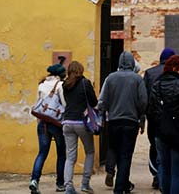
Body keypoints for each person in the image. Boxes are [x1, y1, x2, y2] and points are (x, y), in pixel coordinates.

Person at [99, 51, 147, 194]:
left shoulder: (110, 78)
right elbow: (143, 101)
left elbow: (102, 100)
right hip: (131, 121)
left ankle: (122, 182)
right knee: (126, 154)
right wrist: (140, 114)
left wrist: (104, 113)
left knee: (115, 149)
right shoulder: (137, 79)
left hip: (113, 121)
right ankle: (120, 186)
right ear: (132, 63)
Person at [148, 55, 179, 194]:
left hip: (161, 133)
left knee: (165, 170)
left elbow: (152, 110)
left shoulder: (157, 85)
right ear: (174, 68)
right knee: (177, 173)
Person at [30, 63, 67, 194]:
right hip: (56, 124)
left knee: (42, 153)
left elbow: (38, 105)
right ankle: (60, 184)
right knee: (61, 153)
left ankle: (34, 180)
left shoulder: (41, 85)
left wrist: (40, 122)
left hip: (43, 124)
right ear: (60, 75)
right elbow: (64, 104)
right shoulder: (60, 85)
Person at [61, 61, 98, 194]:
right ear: (80, 70)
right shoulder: (84, 83)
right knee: (90, 151)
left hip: (66, 122)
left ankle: (68, 186)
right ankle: (85, 184)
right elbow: (94, 102)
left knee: (70, 157)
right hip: (81, 122)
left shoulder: (65, 84)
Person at [143, 47, 176, 189]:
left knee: (154, 145)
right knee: (170, 146)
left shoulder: (150, 73)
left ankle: (156, 174)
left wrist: (144, 116)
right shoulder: (175, 73)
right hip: (170, 117)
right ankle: (166, 174)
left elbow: (145, 96)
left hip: (153, 116)